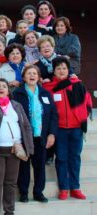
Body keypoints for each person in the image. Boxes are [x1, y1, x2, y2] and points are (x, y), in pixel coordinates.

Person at [0, 78, 34, 215]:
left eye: (4, 86)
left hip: (14, 150)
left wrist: (29, 146)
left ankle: (9, 211)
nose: (1, 88)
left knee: (10, 183)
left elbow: (26, 126)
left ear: (8, 90)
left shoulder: (16, 105)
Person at [42, 57, 92, 200]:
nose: (61, 71)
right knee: (62, 158)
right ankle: (64, 188)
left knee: (75, 158)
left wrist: (83, 115)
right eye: (58, 68)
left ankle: (75, 187)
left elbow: (87, 100)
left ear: (68, 70)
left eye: (64, 68)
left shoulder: (77, 84)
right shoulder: (48, 88)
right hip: (59, 129)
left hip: (76, 129)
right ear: (54, 71)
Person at [13, 65, 58, 203]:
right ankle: (24, 192)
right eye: (29, 73)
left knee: (40, 166)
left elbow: (53, 115)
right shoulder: (17, 93)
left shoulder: (45, 94)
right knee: (24, 166)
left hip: (41, 136)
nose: (32, 76)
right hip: (24, 137)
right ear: (24, 77)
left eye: (34, 73)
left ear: (38, 77)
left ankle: (38, 192)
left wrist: (52, 134)